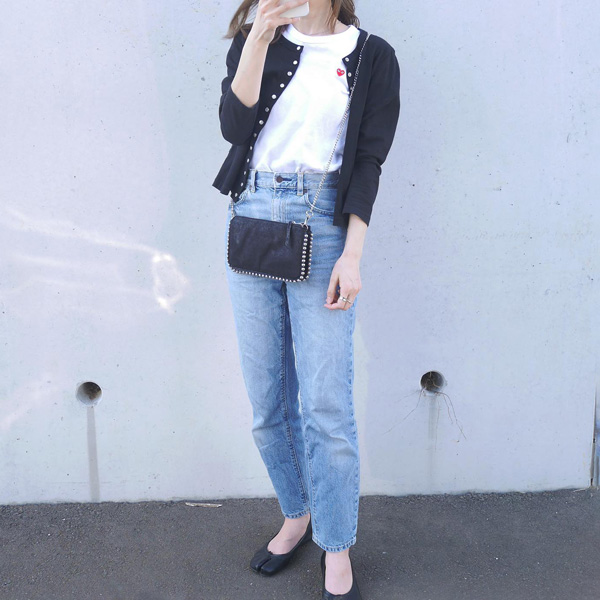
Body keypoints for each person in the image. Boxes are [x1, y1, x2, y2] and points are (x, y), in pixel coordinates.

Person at [212, 1, 400, 598]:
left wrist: (353, 254)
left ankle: (336, 546)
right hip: (253, 215)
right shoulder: (256, 39)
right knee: (268, 402)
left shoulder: (372, 56)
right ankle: (297, 515)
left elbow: (368, 161)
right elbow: (233, 127)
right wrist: (258, 39)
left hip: (323, 226)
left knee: (326, 407)